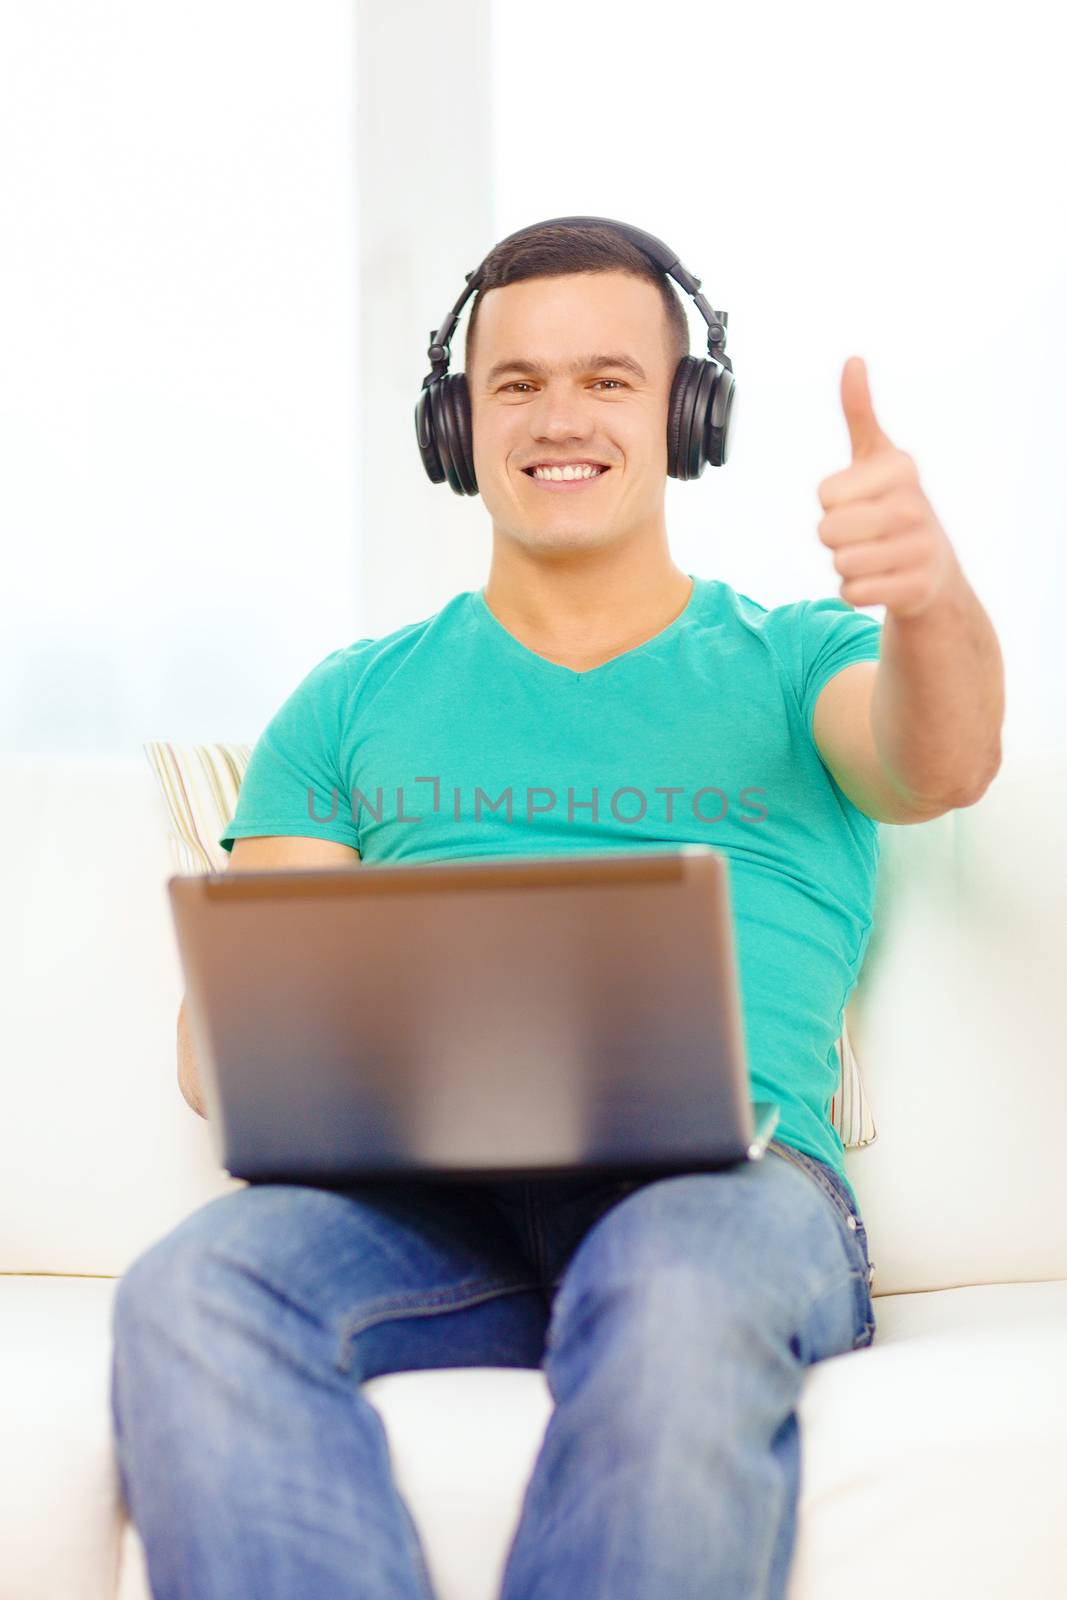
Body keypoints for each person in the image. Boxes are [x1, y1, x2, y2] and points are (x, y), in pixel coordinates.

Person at [111, 220, 1004, 1598]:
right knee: (194, 1287)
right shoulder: (348, 700)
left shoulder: (795, 662)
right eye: (516, 384)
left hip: (726, 1200)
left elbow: (944, 757)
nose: (559, 417)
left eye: (608, 378)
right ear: (456, 425)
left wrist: (929, 598)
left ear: (685, 415)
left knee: (677, 1284)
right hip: (425, 1213)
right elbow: (220, 1052)